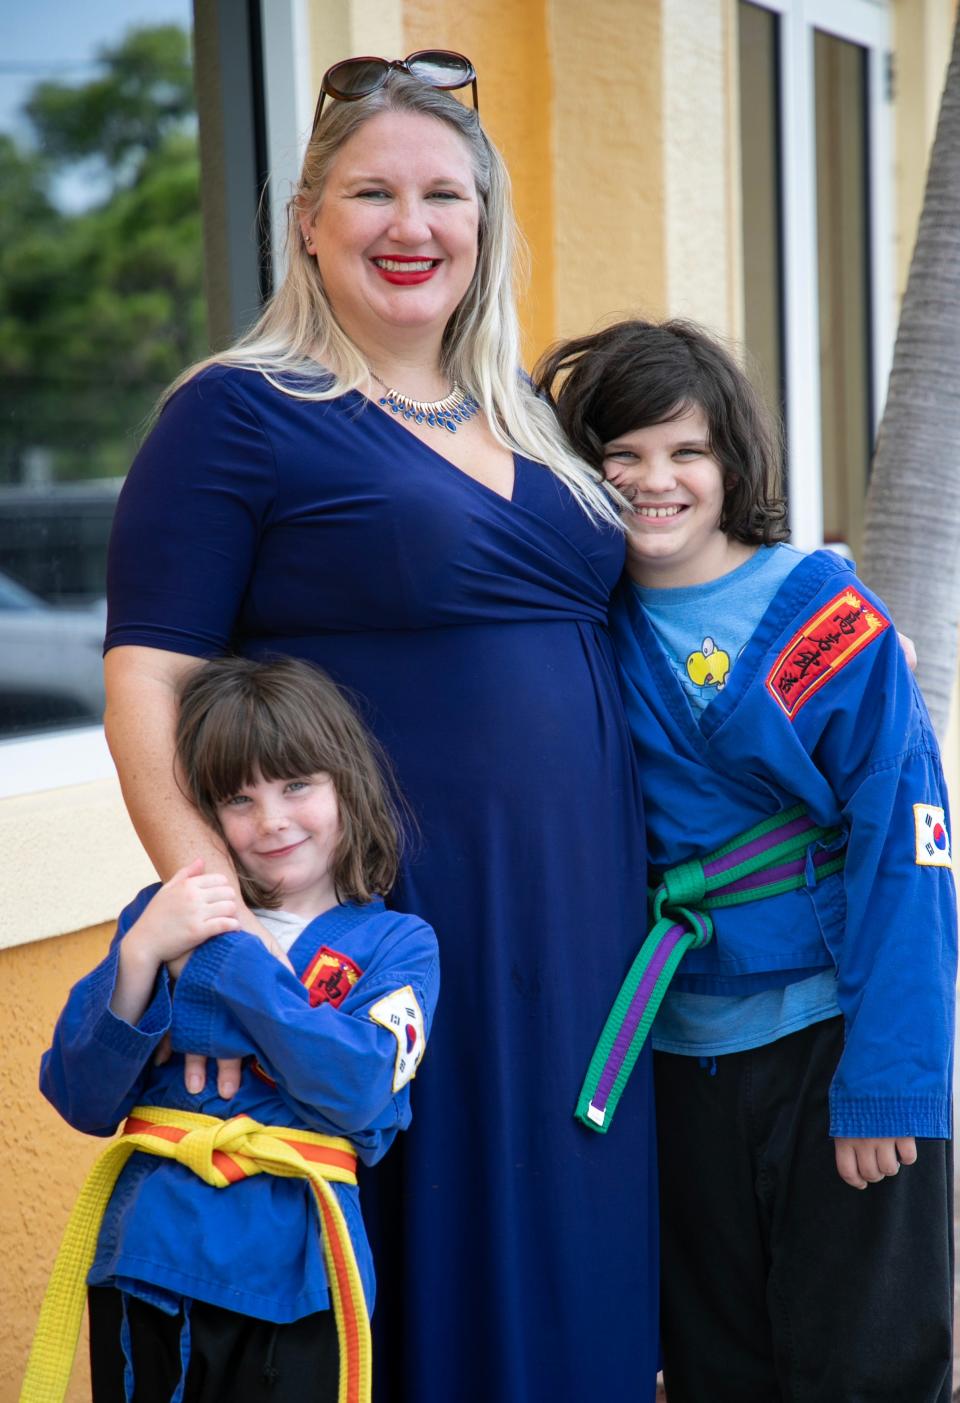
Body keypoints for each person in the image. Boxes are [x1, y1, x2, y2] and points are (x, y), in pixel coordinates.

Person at [101, 55, 659, 1403]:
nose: (412, 226)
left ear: (486, 221)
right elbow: (145, 682)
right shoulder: (238, 413)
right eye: (372, 193)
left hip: (582, 931)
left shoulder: (529, 412)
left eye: (443, 195)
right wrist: (234, 929)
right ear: (307, 219)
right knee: (413, 1274)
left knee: (579, 1262)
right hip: (388, 930)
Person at [536, 318, 957, 1403]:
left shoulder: (825, 616)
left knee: (866, 1365)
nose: (652, 480)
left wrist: (891, 1082)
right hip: (672, 1059)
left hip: (828, 1042)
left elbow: (907, 851)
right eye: (618, 455)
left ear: (732, 463)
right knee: (715, 1363)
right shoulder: (585, 626)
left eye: (684, 451)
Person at [26, 656, 439, 1403]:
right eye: (237, 798)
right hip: (148, 1262)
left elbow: (360, 1089)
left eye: (296, 785)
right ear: (205, 816)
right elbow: (79, 1092)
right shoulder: (161, 917)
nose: (272, 819)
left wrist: (225, 963)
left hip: (298, 1279)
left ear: (346, 781)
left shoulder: (397, 946)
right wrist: (144, 953)